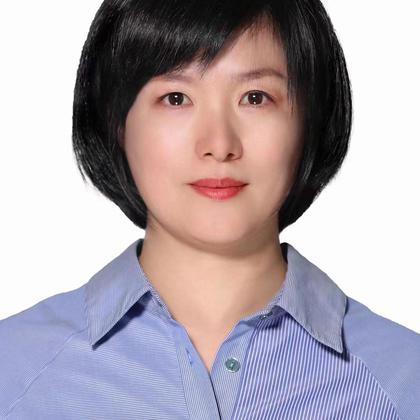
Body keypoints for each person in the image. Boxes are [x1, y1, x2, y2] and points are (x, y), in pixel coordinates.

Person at [1, 0, 419, 419]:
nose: (219, 145)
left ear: (310, 122)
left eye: (255, 98)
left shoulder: (403, 380)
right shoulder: (15, 371)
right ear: (116, 122)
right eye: (176, 98)